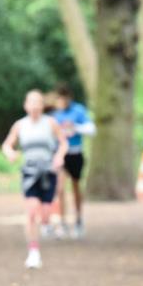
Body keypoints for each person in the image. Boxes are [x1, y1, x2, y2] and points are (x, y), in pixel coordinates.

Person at [1, 90, 68, 269]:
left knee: (45, 215)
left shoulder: (51, 123)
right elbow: (7, 144)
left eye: (38, 103)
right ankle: (33, 252)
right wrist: (10, 153)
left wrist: (59, 157)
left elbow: (63, 142)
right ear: (26, 105)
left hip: (49, 172)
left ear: (42, 106)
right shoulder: (20, 125)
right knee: (31, 213)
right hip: (29, 173)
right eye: (31, 103)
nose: (35, 106)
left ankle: (47, 224)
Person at [51, 84, 95, 238]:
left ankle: (78, 220)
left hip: (76, 154)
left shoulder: (78, 111)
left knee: (76, 187)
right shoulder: (55, 115)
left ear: (67, 98)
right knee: (60, 188)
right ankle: (62, 222)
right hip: (61, 155)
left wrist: (75, 127)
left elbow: (91, 129)